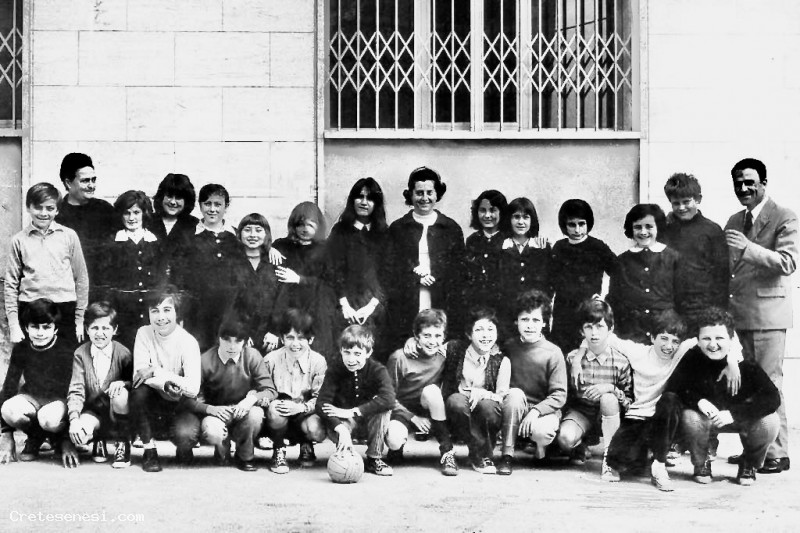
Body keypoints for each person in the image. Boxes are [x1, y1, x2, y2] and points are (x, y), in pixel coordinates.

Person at [724, 157, 798, 474]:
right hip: (739, 316)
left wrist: (747, 248)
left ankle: (777, 454)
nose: (744, 188)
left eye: (750, 182)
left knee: (769, 384)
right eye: (738, 183)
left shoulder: (784, 216)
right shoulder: (734, 219)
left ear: (764, 184)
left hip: (768, 316)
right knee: (747, 386)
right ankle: (754, 450)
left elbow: (787, 262)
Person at [663, 307, 780, 486]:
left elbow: (772, 397)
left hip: (738, 419)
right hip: (706, 420)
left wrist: (735, 414)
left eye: (719, 338)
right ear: (698, 340)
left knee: (770, 422)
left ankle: (749, 463)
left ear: (731, 340)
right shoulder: (692, 357)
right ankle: (701, 463)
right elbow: (675, 388)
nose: (713, 345)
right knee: (690, 417)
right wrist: (699, 401)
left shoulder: (744, 362)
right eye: (706, 338)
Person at [385, 167, 465, 350]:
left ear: (437, 194)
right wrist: (414, 277)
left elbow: (458, 272)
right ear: (411, 195)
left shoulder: (451, 228)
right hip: (407, 301)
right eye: (419, 193)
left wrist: (436, 276)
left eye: (430, 192)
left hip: (440, 298)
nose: (424, 198)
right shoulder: (398, 228)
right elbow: (390, 269)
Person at [557, 298, 633, 482]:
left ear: (610, 329)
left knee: (608, 398)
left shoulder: (621, 361)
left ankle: (610, 461)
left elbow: (629, 402)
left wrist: (611, 389)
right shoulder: (573, 359)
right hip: (582, 413)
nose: (594, 333)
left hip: (610, 415)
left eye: (600, 327)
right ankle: (580, 445)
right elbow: (567, 395)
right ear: (581, 331)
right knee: (565, 438)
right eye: (588, 327)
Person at [4, 182, 89, 346]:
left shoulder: (69, 236)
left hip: (64, 308)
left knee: (65, 358)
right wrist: (14, 324)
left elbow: (82, 278)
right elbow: (10, 284)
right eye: (38, 207)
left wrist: (79, 319)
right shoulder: (19, 240)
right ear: (28, 207)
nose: (43, 213)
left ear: (57, 210)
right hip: (30, 308)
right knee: (31, 359)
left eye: (50, 208)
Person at [182, 320, 273, 472]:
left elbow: (270, 390)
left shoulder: (252, 356)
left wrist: (250, 400)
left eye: (238, 341)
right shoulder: (205, 361)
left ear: (245, 342)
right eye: (227, 340)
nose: (232, 346)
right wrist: (210, 409)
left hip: (243, 410)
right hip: (216, 412)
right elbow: (187, 398)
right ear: (219, 339)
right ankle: (221, 448)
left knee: (256, 415)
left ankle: (245, 456)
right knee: (213, 431)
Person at [130, 286, 201, 472]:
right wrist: (165, 383)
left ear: (177, 313)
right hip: (153, 402)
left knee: (185, 436)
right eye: (155, 311)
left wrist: (155, 371)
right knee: (138, 392)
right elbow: (139, 375)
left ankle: (183, 447)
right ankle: (149, 451)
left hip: (180, 404)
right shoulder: (144, 333)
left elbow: (193, 388)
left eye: (167, 310)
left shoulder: (188, 342)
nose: (161, 317)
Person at [498, 290, 567, 475]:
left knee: (542, 432)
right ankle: (507, 455)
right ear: (517, 321)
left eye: (536, 320)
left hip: (542, 411)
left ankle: (541, 450)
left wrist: (536, 411)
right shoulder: (509, 347)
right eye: (525, 319)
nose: (530, 325)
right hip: (515, 407)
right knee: (514, 394)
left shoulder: (553, 352)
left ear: (544, 322)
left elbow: (559, 394)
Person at [0, 299, 74, 464]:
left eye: (46, 327)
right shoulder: (22, 348)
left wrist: (67, 439)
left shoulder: (65, 349)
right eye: (34, 327)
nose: (40, 333)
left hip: (58, 402)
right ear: (26, 328)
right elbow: (9, 386)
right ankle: (36, 437)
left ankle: (58, 439)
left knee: (48, 418)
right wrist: (6, 433)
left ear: (55, 329)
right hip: (32, 397)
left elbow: (74, 391)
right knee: (9, 410)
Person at [385, 309, 458, 476]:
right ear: (416, 336)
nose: (432, 341)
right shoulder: (399, 358)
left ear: (444, 337)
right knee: (394, 439)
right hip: (402, 412)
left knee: (432, 391)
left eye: (437, 336)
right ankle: (396, 449)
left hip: (431, 411)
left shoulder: (444, 355)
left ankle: (447, 451)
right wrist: (412, 417)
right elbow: (387, 396)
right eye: (426, 336)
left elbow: (466, 344)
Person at [62, 302, 133, 469]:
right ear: (87, 329)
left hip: (117, 411)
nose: (100, 333)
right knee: (79, 433)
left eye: (105, 328)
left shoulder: (123, 353)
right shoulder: (80, 353)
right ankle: (98, 439)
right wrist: (74, 419)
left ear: (115, 330)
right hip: (94, 411)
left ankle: (123, 443)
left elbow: (133, 383)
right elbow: (76, 389)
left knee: (121, 394)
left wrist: (123, 383)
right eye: (94, 328)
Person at [316, 325, 395, 476]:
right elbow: (321, 404)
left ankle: (374, 458)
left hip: (368, 423)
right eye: (347, 352)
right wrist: (340, 427)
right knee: (345, 462)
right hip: (344, 424)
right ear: (341, 351)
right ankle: (345, 455)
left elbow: (389, 399)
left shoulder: (378, 370)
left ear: (368, 353)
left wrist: (353, 411)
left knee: (383, 410)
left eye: (357, 354)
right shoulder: (335, 369)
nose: (351, 359)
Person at [441, 306, 510, 475]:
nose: (485, 335)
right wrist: (411, 342)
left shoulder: (501, 360)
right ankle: (478, 453)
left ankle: (481, 454)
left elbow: (501, 396)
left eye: (490, 329)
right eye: (479, 330)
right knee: (456, 401)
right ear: (469, 334)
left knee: (489, 406)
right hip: (458, 412)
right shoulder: (454, 349)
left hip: (484, 413)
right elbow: (429, 350)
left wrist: (483, 394)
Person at [95, 190, 167, 350]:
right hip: (122, 312)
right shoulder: (112, 243)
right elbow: (105, 281)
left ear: (144, 213)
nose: (131, 218)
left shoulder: (155, 242)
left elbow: (162, 279)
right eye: (126, 213)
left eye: (136, 212)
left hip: (149, 311)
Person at [173, 183, 240, 352]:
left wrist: (271, 249)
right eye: (207, 204)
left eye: (218, 204)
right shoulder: (188, 236)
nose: (212, 209)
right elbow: (178, 276)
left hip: (229, 311)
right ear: (200, 205)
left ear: (226, 206)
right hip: (197, 313)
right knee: (199, 353)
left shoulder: (236, 236)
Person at [261, 309, 327, 474]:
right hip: (279, 412)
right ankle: (278, 449)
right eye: (290, 338)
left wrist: (301, 408)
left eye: (301, 338)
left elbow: (320, 398)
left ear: (311, 339)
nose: (295, 344)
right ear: (282, 338)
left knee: (316, 429)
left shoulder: (318, 362)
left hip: (304, 411)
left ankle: (306, 443)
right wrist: (270, 402)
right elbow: (263, 390)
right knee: (275, 410)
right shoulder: (270, 360)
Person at [661, 173, 729, 334]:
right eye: (676, 203)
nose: (681, 207)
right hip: (671, 311)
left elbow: (722, 276)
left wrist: (717, 313)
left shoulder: (712, 230)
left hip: (703, 310)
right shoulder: (664, 230)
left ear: (698, 199)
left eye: (686, 202)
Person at [327, 178, 390, 347]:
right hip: (343, 306)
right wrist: (344, 305)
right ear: (352, 200)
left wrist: (371, 307)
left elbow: (387, 274)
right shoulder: (340, 231)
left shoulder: (384, 234)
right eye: (360, 197)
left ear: (376, 204)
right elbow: (332, 270)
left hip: (375, 306)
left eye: (370, 198)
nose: (364, 202)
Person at [549, 199, 617, 352]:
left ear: (588, 223)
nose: (577, 230)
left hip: (588, 312)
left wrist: (605, 299)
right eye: (572, 225)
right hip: (563, 315)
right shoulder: (559, 247)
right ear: (564, 225)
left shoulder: (597, 247)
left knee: (587, 354)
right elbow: (550, 281)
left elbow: (619, 273)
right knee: (562, 354)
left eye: (581, 224)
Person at [271, 202, 337, 358]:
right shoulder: (282, 246)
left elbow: (330, 284)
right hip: (287, 309)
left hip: (316, 310)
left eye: (310, 224)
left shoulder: (326, 250)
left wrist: (298, 279)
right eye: (300, 224)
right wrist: (269, 249)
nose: (305, 229)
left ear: (318, 226)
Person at [607, 203, 679, 343]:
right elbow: (614, 300)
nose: (643, 232)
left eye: (649, 227)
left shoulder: (673, 258)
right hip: (631, 334)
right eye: (638, 227)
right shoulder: (622, 261)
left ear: (658, 227)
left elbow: (682, 298)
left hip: (666, 333)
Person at [54, 153, 115, 293]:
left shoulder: (106, 210)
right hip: (68, 290)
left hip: (102, 290)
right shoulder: (57, 214)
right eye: (85, 181)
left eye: (93, 180)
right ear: (68, 183)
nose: (91, 185)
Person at [226, 213, 280, 353]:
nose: (252, 235)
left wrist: (275, 332)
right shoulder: (230, 262)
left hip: (270, 339)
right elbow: (228, 303)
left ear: (266, 234)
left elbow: (283, 299)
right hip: (238, 337)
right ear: (240, 233)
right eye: (247, 230)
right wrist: (239, 332)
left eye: (258, 230)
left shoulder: (276, 262)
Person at [499, 197, 551, 338]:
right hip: (507, 315)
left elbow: (549, 283)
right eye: (516, 217)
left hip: (534, 314)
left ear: (532, 220)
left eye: (526, 217)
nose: (521, 222)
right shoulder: (501, 247)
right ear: (509, 219)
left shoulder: (542, 247)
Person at [463, 190, 508, 312]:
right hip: (476, 307)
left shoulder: (509, 240)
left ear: (502, 212)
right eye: (483, 210)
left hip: (503, 307)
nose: (487, 215)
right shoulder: (472, 240)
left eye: (493, 210)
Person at [150, 173, 199, 279]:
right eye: (169, 196)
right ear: (161, 197)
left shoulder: (195, 226)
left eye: (178, 197)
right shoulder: (148, 222)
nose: (173, 202)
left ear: (187, 201)